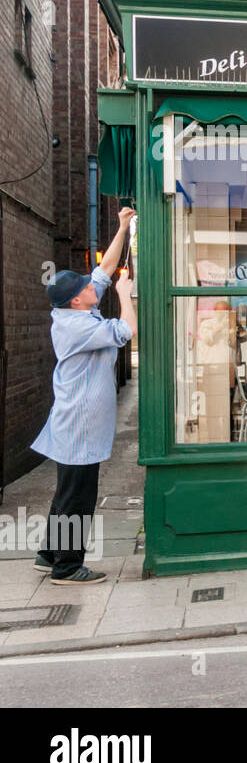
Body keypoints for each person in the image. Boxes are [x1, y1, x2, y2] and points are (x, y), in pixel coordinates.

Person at [32, 207, 138, 585]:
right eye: (86, 288)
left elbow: (104, 270)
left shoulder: (74, 311)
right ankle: (67, 566)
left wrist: (123, 227)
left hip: (74, 422)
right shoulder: (77, 328)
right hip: (79, 426)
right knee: (78, 497)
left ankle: (48, 554)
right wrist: (128, 295)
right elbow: (127, 330)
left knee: (66, 492)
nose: (95, 287)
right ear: (77, 300)